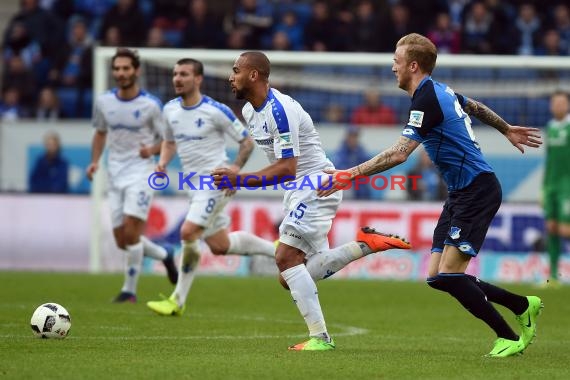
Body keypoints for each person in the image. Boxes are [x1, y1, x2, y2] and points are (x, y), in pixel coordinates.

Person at [318, 33, 544, 358]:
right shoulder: (440, 91)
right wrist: (505, 128)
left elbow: (399, 154)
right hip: (461, 192)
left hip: (477, 189)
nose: (392, 67)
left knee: (452, 274)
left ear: (412, 65)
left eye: (396, 61)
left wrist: (349, 174)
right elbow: (475, 106)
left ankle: (508, 336)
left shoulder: (427, 99)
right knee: (438, 277)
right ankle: (523, 305)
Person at [212, 51, 411, 351]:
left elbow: (286, 168)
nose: (230, 76)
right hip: (297, 189)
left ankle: (321, 338)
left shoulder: (280, 110)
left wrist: (238, 180)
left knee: (284, 258)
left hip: (317, 184)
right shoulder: (251, 112)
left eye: (236, 70)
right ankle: (366, 245)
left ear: (254, 75)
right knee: (289, 275)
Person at [146, 58, 276, 316]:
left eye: (184, 74)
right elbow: (169, 142)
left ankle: (177, 300)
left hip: (215, 182)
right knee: (219, 244)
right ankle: (277, 250)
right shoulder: (170, 110)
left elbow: (246, 143)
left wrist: (235, 170)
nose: (177, 79)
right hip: (193, 186)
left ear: (198, 79)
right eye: (175, 74)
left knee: (188, 231)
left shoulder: (216, 111)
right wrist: (161, 162)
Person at [86, 48, 178, 303]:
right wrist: (94, 162)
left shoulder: (150, 105)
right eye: (117, 68)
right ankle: (164, 254)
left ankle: (129, 290)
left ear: (136, 71)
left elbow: (169, 140)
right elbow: (100, 132)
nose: (121, 73)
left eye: (126, 68)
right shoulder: (104, 102)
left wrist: (154, 153)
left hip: (142, 173)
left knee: (131, 234)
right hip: (115, 174)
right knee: (121, 240)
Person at [542, 90, 570, 288]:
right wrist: (543, 189)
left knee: (565, 229)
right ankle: (553, 276)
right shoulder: (550, 127)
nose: (557, 106)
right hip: (551, 185)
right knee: (551, 228)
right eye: (555, 103)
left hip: (567, 186)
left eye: (561, 103)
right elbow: (549, 160)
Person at [332, 126, 372, 200]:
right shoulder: (341, 151)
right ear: (347, 136)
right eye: (351, 136)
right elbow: (339, 168)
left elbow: (369, 163)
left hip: (361, 188)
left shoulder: (360, 150)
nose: (353, 139)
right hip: (347, 187)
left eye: (355, 136)